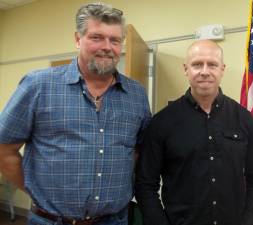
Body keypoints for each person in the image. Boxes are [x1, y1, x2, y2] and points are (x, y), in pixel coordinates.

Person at [0, 3, 151, 225]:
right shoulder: (38, 85)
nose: (107, 47)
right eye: (96, 37)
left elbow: (139, 150)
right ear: (78, 39)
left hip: (114, 220)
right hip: (50, 221)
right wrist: (35, 189)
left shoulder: (136, 94)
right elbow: (5, 148)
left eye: (115, 40)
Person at [135, 39, 253, 225]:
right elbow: (145, 185)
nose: (205, 71)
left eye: (212, 64)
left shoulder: (244, 119)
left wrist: (248, 221)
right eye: (197, 64)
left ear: (222, 69)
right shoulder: (161, 123)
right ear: (185, 69)